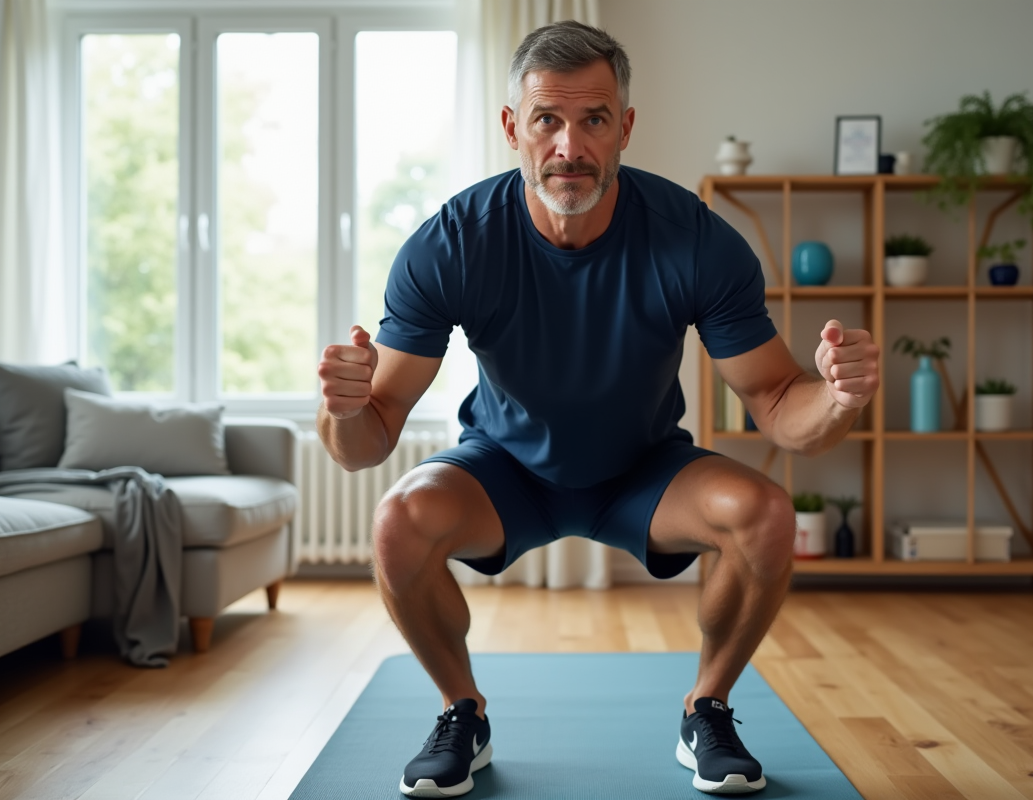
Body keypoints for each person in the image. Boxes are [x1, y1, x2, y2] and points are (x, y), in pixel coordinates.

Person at [317, 20, 880, 798]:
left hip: (643, 470)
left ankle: (706, 708)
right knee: (397, 522)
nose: (569, 147)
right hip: (504, 470)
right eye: (547, 119)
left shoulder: (695, 240)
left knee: (768, 515)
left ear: (625, 128)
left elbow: (783, 405)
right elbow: (367, 439)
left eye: (593, 120)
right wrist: (344, 407)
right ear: (514, 126)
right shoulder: (451, 243)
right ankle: (461, 711)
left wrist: (839, 396)